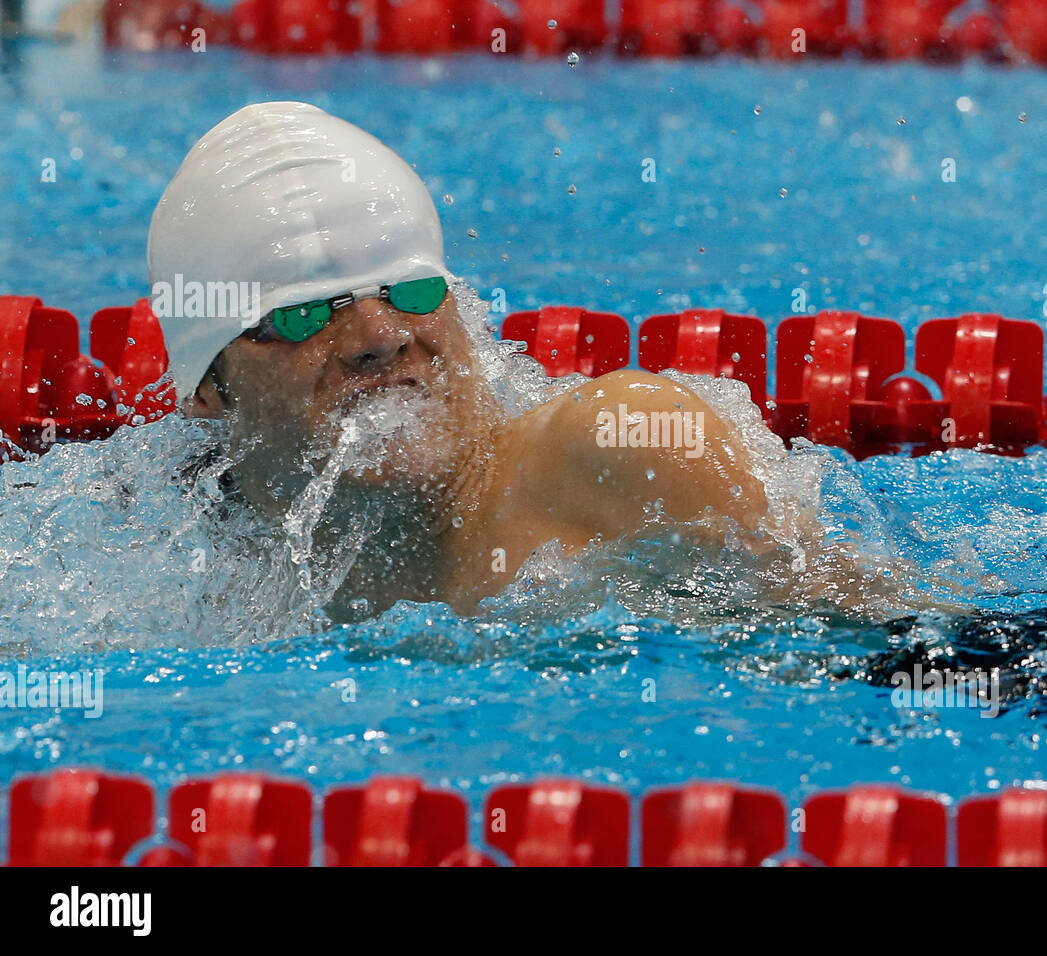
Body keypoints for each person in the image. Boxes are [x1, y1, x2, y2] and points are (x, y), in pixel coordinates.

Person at [150, 102, 775, 616]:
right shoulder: (164, 551)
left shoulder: (626, 448)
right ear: (205, 386)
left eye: (411, 289)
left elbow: (853, 632)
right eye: (302, 314)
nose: (381, 335)